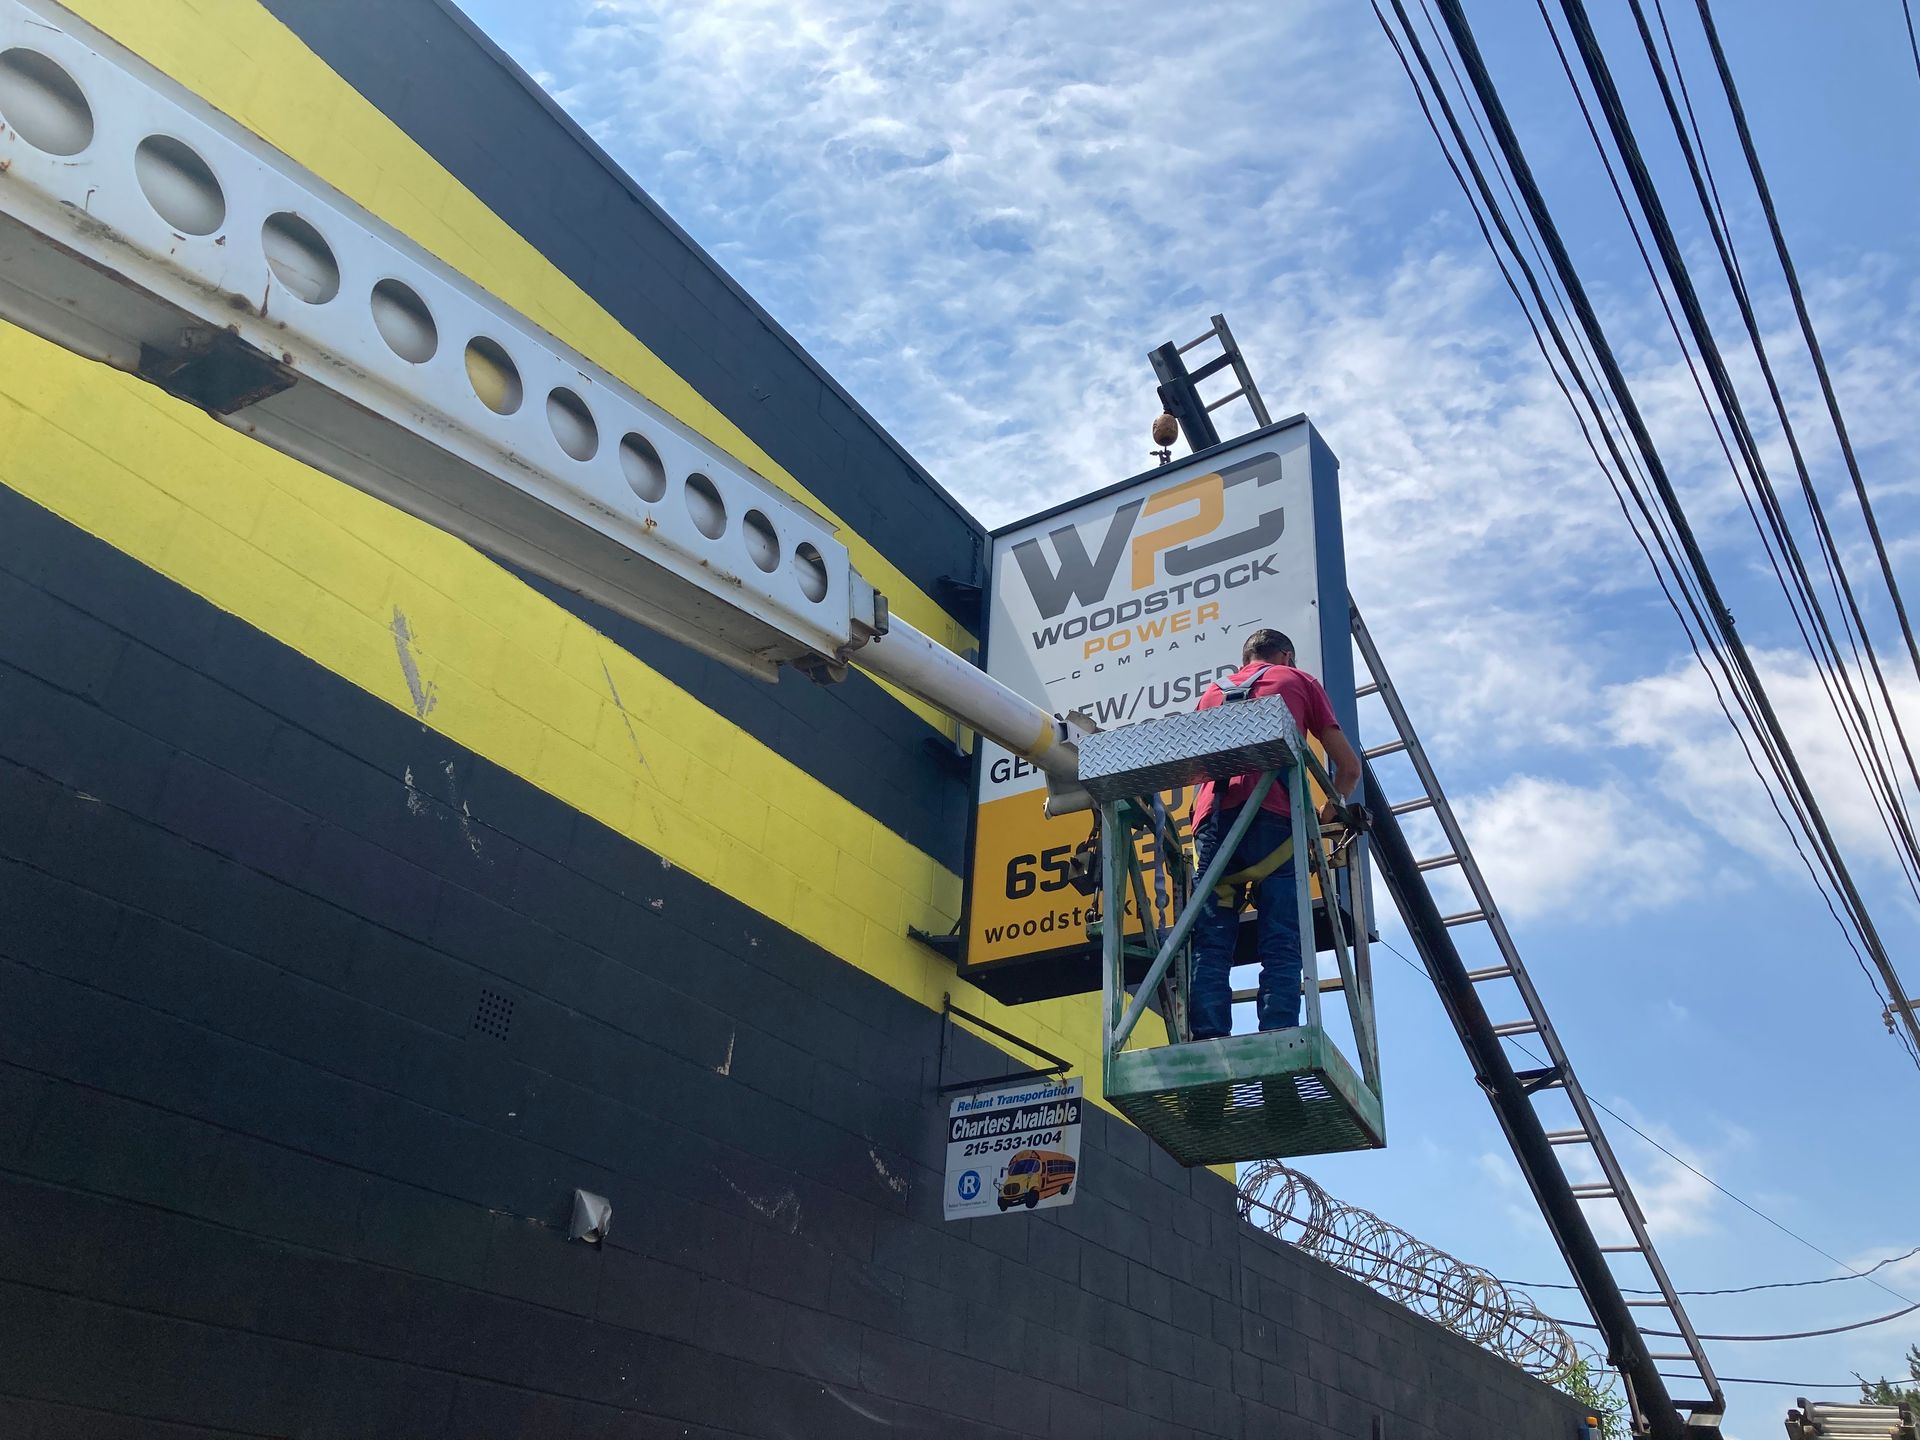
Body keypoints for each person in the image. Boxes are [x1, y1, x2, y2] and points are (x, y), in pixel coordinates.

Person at [1187, 629, 1362, 1040]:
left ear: (1245, 658)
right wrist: (1328, 813)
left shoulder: (1210, 694)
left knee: (1211, 944)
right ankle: (1279, 1035)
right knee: (1281, 940)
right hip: (1276, 822)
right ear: (1286, 655)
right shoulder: (1298, 680)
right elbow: (1349, 768)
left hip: (1213, 826)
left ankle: (1208, 1039)